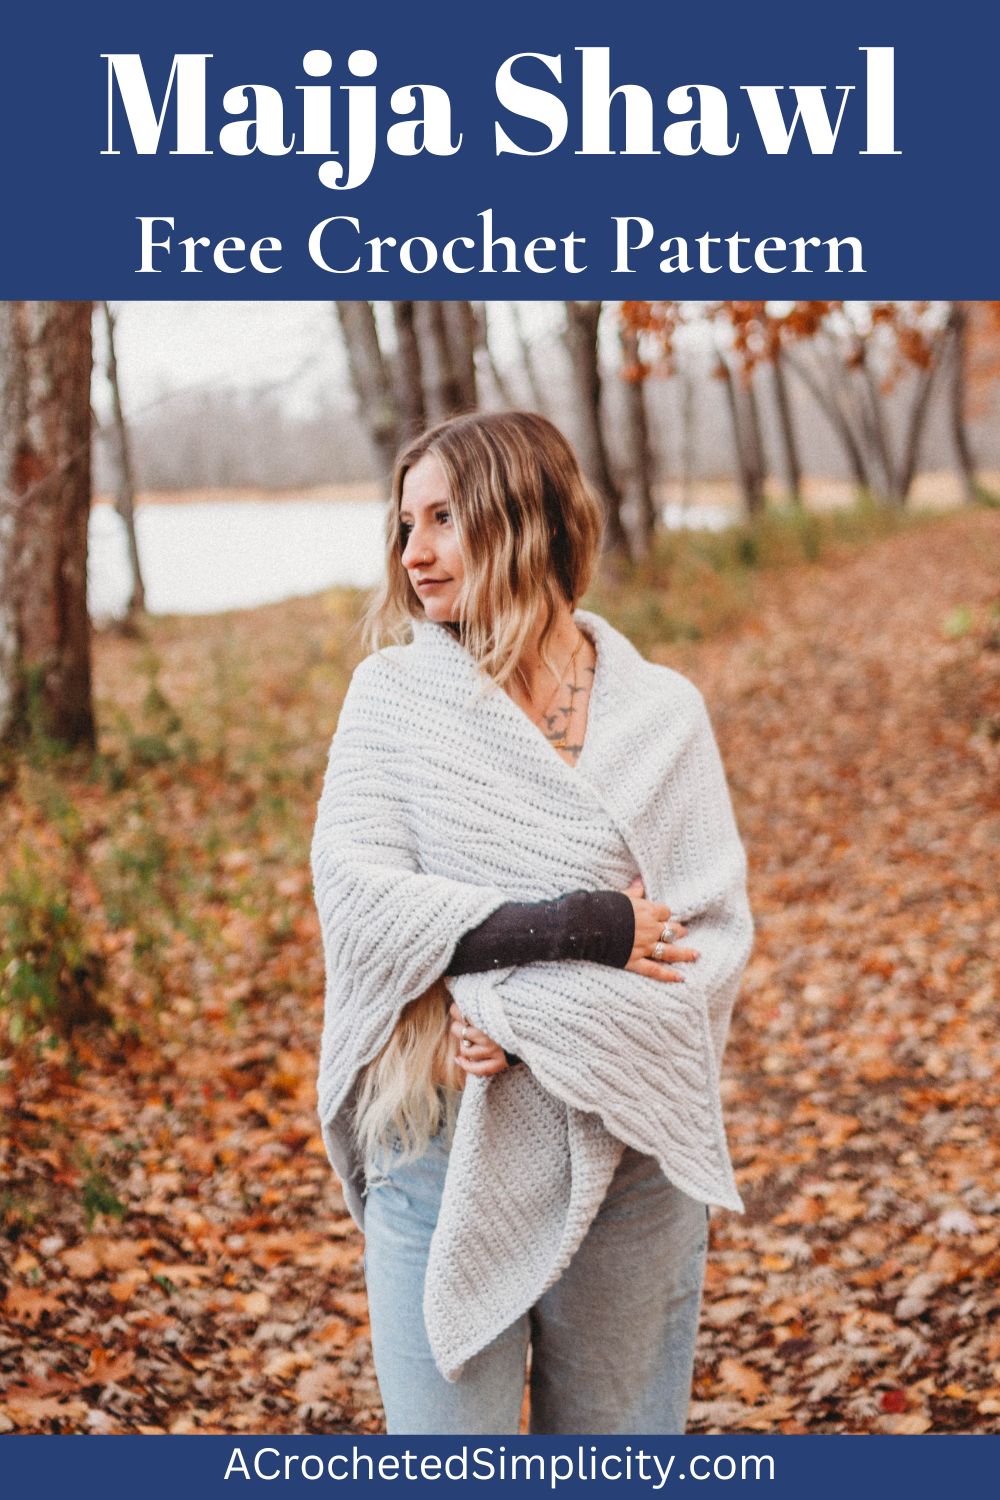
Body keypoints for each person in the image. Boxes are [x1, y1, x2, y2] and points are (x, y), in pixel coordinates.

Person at [311, 410, 754, 1435]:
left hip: (626, 1136)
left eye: (444, 519)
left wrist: (520, 1019)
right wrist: (586, 926)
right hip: (437, 1129)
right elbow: (364, 904)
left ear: (529, 520)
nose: (413, 553)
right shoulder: (393, 699)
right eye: (406, 523)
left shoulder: (661, 714)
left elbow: (706, 943)